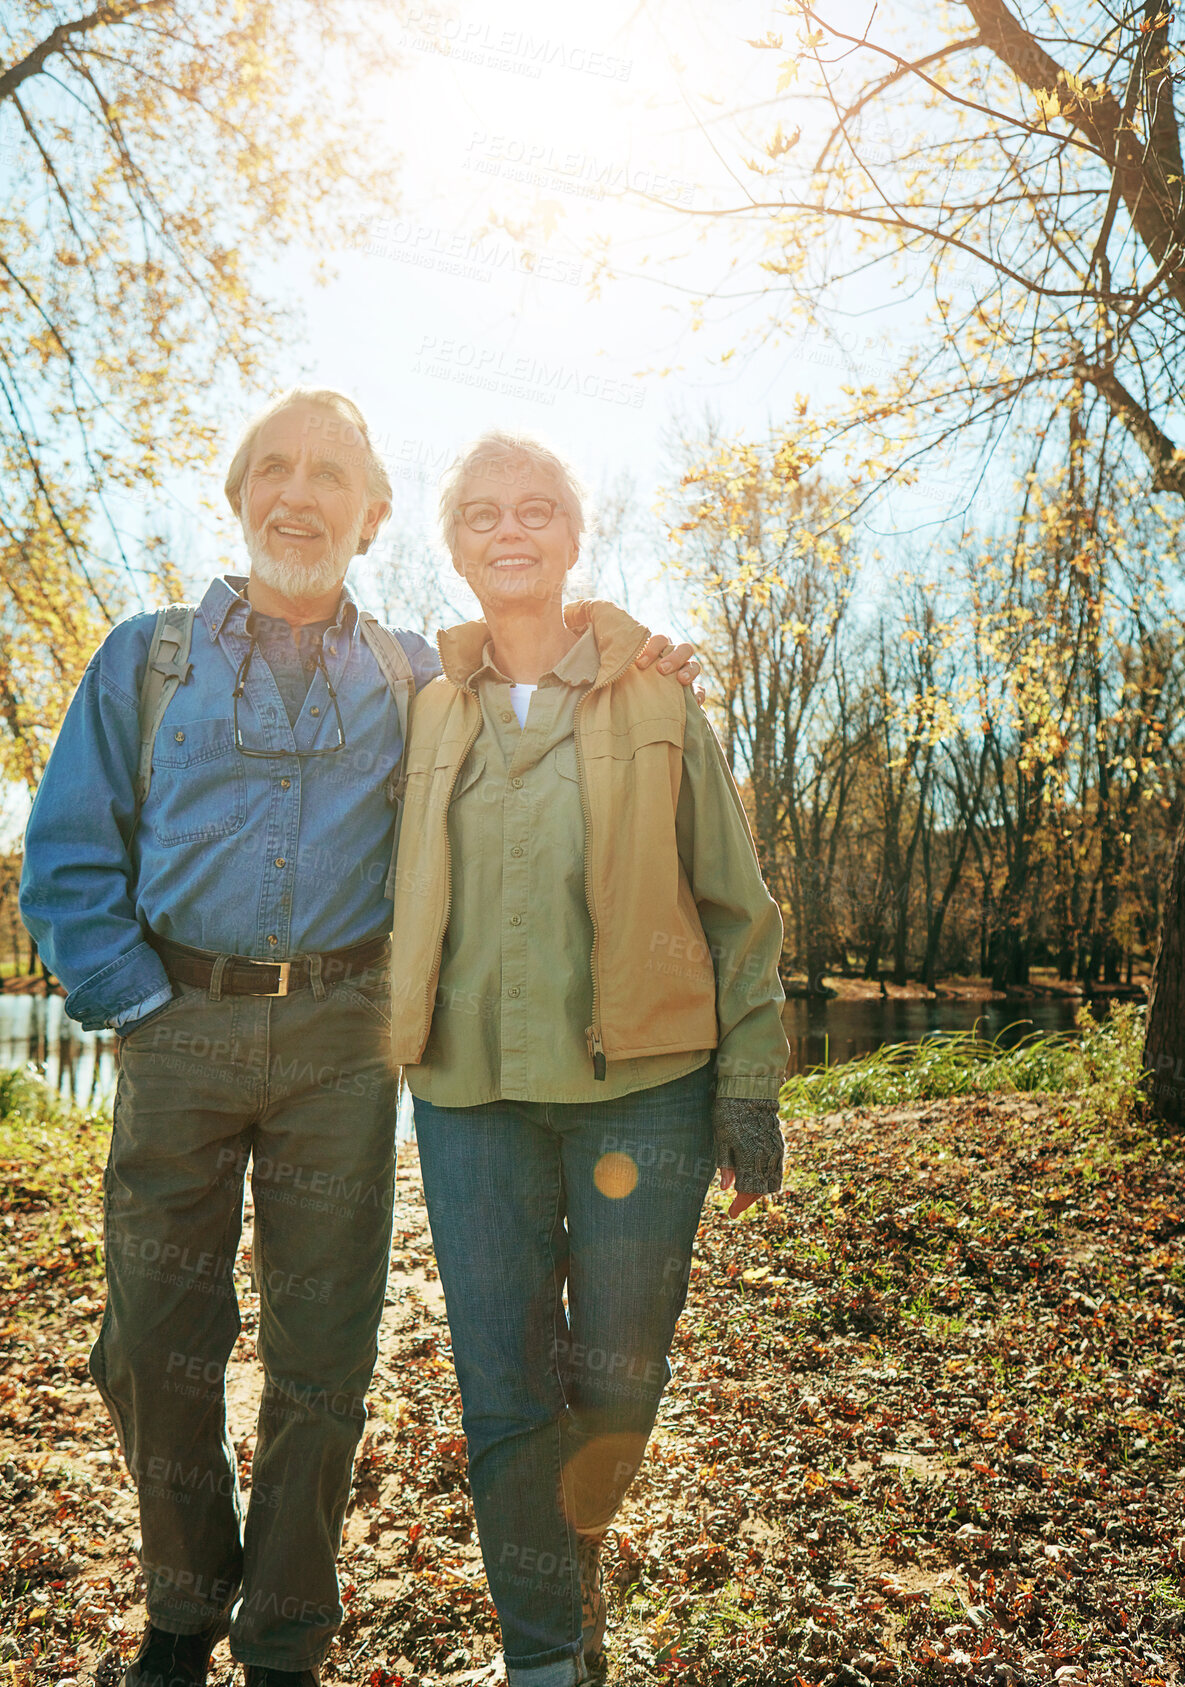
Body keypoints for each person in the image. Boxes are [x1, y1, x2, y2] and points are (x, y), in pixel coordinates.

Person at [18, 389, 699, 1687]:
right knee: (159, 1339)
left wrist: (634, 649)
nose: (297, 493)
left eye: (328, 474)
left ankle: (283, 1636)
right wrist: (140, 1005)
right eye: (272, 469)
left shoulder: (410, 674)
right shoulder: (146, 657)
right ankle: (182, 1602)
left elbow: (538, 667)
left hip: (341, 1045)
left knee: (321, 1357)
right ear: (237, 496)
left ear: (372, 512)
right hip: (176, 1027)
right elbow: (64, 857)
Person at [389, 430, 791, 1687]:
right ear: (452, 543)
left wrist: (750, 1080)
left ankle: (575, 1561)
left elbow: (738, 904)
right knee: (506, 1397)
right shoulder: (421, 708)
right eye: (484, 513)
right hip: (470, 1102)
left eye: (540, 509)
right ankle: (549, 1656)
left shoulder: (657, 694)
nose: (512, 530)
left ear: (575, 536)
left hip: (644, 1101)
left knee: (617, 1386)